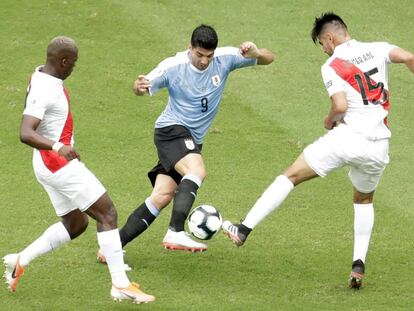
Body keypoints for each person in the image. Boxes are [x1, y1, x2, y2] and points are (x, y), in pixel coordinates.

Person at [222, 12, 414, 289]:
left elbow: (340, 106)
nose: (324, 50)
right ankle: (358, 265)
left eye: (322, 45)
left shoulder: (333, 64)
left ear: (330, 38)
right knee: (363, 200)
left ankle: (243, 229)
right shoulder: (379, 48)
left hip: (347, 138)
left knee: (291, 176)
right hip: (378, 146)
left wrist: (328, 122)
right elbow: (409, 58)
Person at [97, 24, 273, 261]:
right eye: (199, 54)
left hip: (192, 141)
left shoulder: (225, 58)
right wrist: (138, 87)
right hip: (171, 132)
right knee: (197, 170)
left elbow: (269, 58)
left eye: (208, 56)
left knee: (162, 195)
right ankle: (175, 232)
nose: (204, 61)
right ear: (190, 47)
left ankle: (111, 248)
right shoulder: (173, 67)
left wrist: (256, 54)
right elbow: (142, 85)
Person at [2, 36, 154, 304]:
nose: (74, 67)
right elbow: (25, 133)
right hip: (57, 163)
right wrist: (59, 147)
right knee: (107, 213)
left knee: (76, 223)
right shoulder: (45, 89)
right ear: (62, 62)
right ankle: (120, 284)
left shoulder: (40, 73)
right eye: (72, 63)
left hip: (45, 164)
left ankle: (19, 260)